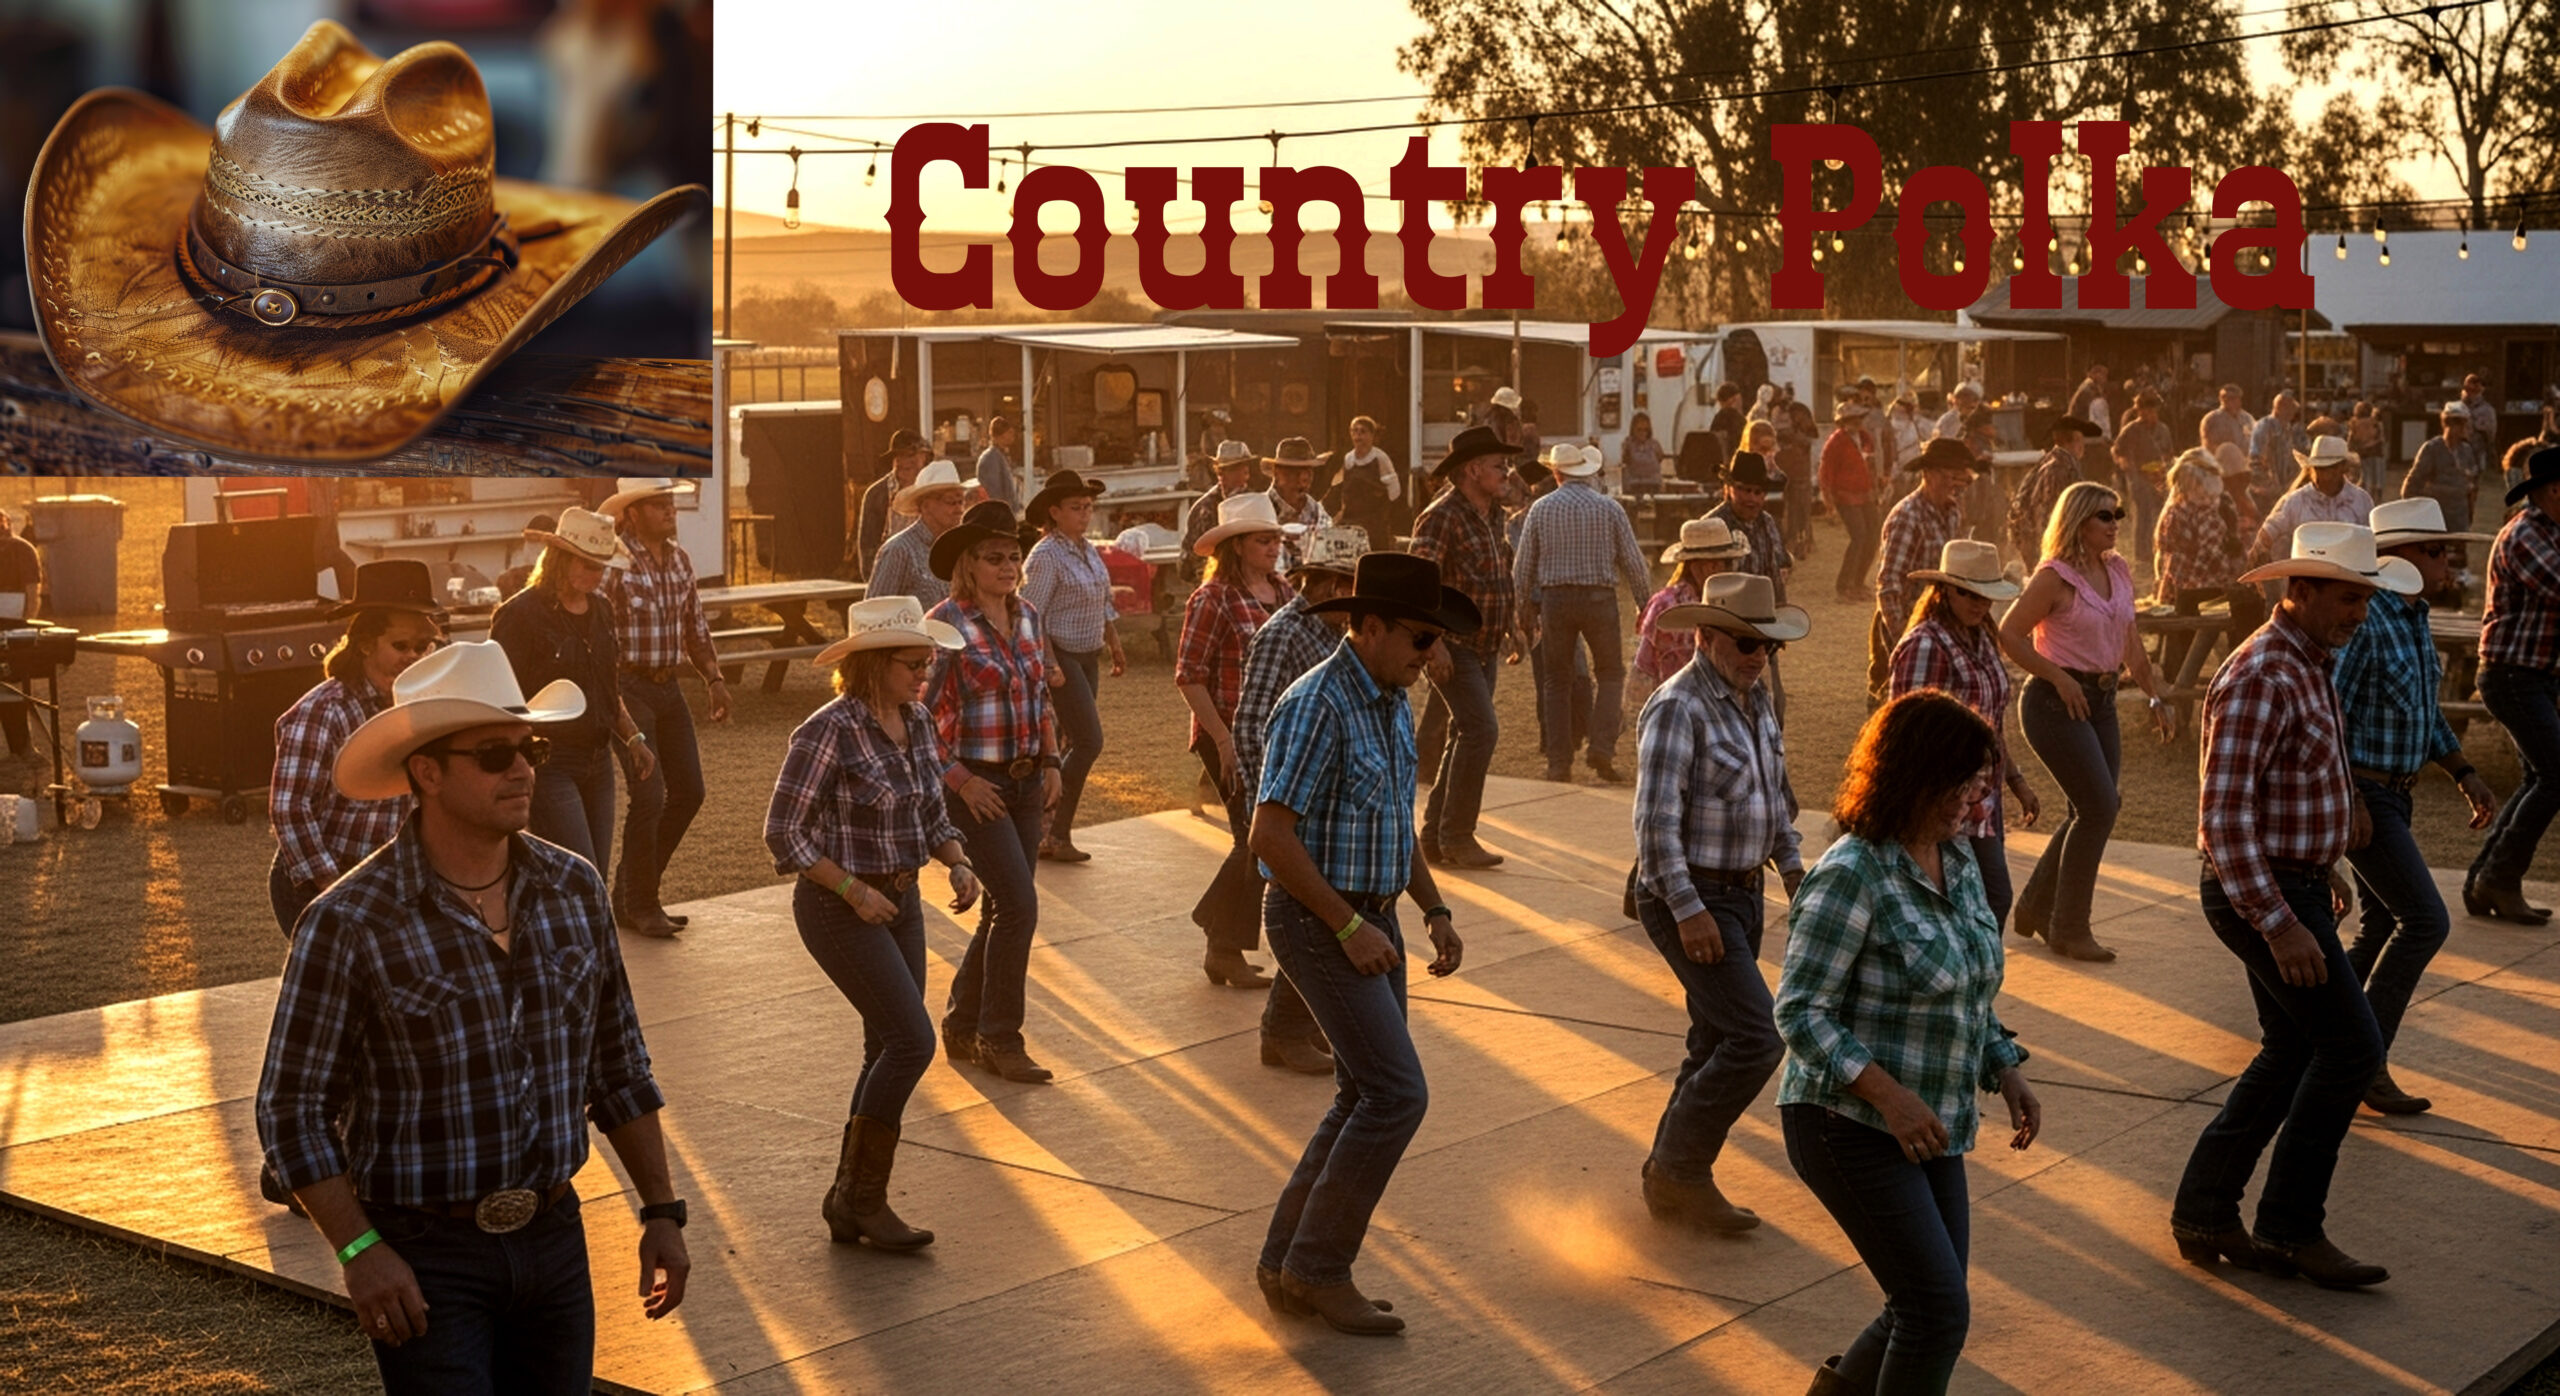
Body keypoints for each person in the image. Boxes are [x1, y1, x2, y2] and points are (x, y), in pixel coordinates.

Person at [256, 640, 689, 1392]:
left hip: (555, 1238)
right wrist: (360, 1251)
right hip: (426, 1254)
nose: (523, 769)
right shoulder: (349, 923)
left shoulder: (573, 890)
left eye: (532, 747)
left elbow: (618, 1067)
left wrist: (663, 1211)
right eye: (495, 754)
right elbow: (290, 1112)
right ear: (426, 771)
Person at [1775, 691, 2041, 1396]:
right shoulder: (1850, 874)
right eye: (1958, 785)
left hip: (1932, 1125)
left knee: (1923, 1303)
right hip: (1847, 1123)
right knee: (1936, 1310)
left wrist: (2004, 1067)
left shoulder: (1955, 863)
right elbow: (1801, 1012)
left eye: (1977, 785)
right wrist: (1889, 1097)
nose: (1970, 801)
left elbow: (1967, 989)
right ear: (1911, 776)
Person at [2171, 523, 2411, 1290]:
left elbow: (2286, 785)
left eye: (2365, 600)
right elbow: (2223, 818)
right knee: (2350, 1049)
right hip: (2263, 890)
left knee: (2296, 1051)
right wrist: (2279, 922)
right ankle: (2287, 1228)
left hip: (2290, 880)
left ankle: (2207, 1210)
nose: (2358, 615)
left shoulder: (2309, 661)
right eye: (2348, 598)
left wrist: (2326, 858)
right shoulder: (2262, 674)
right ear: (2297, 591)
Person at [1248, 551, 1471, 1337]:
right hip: (1321, 922)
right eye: (1418, 639)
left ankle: (1287, 1263)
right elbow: (1270, 836)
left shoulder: (1387, 700)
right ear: (1367, 626)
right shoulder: (1317, 705)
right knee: (1395, 1094)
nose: (1429, 655)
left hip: (1372, 919)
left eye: (1434, 641)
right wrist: (1347, 928)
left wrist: (1433, 907)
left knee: (1364, 1093)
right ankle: (1316, 1269)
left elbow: (1390, 825)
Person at [764, 597, 982, 1250]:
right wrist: (854, 891)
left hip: (902, 901)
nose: (925, 674)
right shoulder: (826, 731)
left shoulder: (915, 721)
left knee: (885, 1044)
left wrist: (957, 859)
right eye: (915, 663)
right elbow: (784, 834)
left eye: (929, 662)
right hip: (840, 909)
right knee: (912, 1042)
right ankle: (860, 1199)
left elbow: (927, 811)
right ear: (871, 664)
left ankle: (853, 1202)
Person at [1631, 572, 1810, 1235]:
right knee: (1756, 1037)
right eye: (1742, 642)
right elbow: (1654, 827)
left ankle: (1674, 1177)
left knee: (1714, 1038)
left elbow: (1775, 802)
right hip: (1693, 892)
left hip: (1741, 892)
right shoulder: (1678, 706)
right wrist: (1688, 910)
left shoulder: (1756, 700)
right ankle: (1677, 1170)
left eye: (1766, 645)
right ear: (1704, 637)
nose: (1756, 654)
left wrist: (1794, 873)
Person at [2332, 499, 2502, 1114]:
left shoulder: (2413, 614)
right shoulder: (2369, 618)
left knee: (2382, 922)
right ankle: (2361, 1062)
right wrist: (2349, 796)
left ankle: (2326, 1036)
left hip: (2393, 796)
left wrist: (2465, 772)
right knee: (2425, 921)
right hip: (2369, 793)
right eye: (2433, 550)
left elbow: (2424, 715)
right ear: (2395, 556)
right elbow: (2330, 713)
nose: (2445, 558)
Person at [1996, 482, 2175, 962]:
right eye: (2104, 515)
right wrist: (2058, 677)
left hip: (2102, 701)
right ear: (2078, 521)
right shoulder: (2053, 578)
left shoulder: (2117, 570)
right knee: (2098, 807)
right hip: (2055, 703)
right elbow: (2009, 634)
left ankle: (2036, 904)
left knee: (2094, 806)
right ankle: (2069, 928)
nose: (2115, 522)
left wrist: (2156, 697)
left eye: (2117, 513)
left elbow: (2130, 640)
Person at [926, 502, 1065, 1084]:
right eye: (993, 557)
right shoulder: (944, 626)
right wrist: (960, 780)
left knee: (1007, 905)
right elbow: (919, 720)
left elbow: (1040, 698)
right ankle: (999, 1037)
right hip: (974, 784)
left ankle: (962, 1023)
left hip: (1028, 779)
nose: (1008, 565)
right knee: (1020, 907)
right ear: (968, 563)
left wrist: (1053, 759)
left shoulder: (1028, 615)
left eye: (1013, 555)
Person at [1231, 526, 1372, 1074]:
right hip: (1292, 799)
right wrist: (1263, 802)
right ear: (1327, 583)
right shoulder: (1283, 634)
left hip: (1332, 798)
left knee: (1333, 907)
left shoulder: (1340, 632)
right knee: (1312, 914)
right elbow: (1250, 723)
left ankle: (1299, 1024)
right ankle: (1283, 1027)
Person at [269, 560, 447, 936]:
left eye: (423, 645)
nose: (414, 656)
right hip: (318, 880)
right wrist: (334, 886)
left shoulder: (422, 703)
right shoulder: (323, 710)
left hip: (387, 879)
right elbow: (290, 807)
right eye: (401, 645)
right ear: (366, 642)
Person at [491, 508, 657, 888]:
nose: (596, 575)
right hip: (550, 759)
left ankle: (584, 944)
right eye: (586, 564)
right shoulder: (519, 614)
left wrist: (632, 738)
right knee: (577, 873)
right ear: (560, 558)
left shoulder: (601, 609)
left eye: (601, 566)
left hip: (597, 757)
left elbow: (607, 687)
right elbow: (501, 694)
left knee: (591, 868)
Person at [598, 480, 731, 939]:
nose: (669, 510)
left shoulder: (679, 559)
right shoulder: (613, 562)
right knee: (650, 795)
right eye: (658, 504)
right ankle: (641, 901)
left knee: (690, 791)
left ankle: (631, 893)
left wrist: (713, 678)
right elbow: (598, 630)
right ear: (632, 513)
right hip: (627, 686)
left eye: (670, 503)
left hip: (667, 686)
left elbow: (695, 624)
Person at [1180, 492, 1302, 987]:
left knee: (1261, 837)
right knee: (1252, 838)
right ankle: (1222, 945)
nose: (1274, 547)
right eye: (1263, 539)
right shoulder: (1211, 599)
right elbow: (1190, 675)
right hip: (1227, 730)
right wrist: (1224, 741)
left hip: (1275, 732)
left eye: (1276, 538)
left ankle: (1219, 937)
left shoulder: (1286, 591)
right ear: (1236, 546)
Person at [1891, 541, 2042, 931]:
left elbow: (1993, 723)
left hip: (1982, 800)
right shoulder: (1926, 644)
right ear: (1944, 591)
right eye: (1968, 593)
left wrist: (2015, 779)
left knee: (1990, 897)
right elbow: (1904, 732)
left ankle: (1969, 984)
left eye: (1986, 595)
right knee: (1963, 902)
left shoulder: (1983, 639)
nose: (1979, 604)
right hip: (1940, 799)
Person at [1409, 425, 1527, 869]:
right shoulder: (1442, 516)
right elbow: (1419, 585)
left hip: (1483, 643)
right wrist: (1431, 642)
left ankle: (1436, 837)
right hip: (1453, 643)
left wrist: (1512, 623)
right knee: (1481, 731)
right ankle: (1457, 836)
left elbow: (1498, 572)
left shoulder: (1493, 514)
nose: (1507, 472)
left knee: (1465, 733)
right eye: (1499, 466)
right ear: (1473, 470)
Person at [1513, 440, 1653, 783]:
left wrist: (1523, 611)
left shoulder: (1541, 509)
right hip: (1599, 597)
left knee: (1555, 681)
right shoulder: (1609, 508)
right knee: (1609, 674)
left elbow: (1522, 568)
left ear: (1556, 473)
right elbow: (1634, 563)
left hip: (1555, 599)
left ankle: (1559, 761)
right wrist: (1643, 604)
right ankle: (1601, 747)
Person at [2468, 444, 2560, 923]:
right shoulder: (2526, 535)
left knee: (2539, 777)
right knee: (2555, 776)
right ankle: (2497, 879)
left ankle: (2485, 881)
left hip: (2529, 674)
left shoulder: (2548, 532)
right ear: (2554, 491)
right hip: (2512, 673)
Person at [1021, 469, 1120, 863]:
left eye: (1088, 507)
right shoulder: (1045, 555)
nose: (1085, 514)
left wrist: (1114, 642)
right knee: (1088, 741)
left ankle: (1048, 830)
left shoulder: (1088, 548)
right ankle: (1051, 829)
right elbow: (1032, 613)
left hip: (1086, 652)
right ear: (1055, 512)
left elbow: (1103, 598)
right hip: (1060, 653)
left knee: (1070, 741)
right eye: (1076, 508)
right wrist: (1048, 662)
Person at [1868, 438, 1974, 706]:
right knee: (1897, 712)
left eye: (1959, 476)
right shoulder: (1908, 516)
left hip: (1940, 626)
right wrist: (1904, 638)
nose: (1957, 483)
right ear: (1929, 474)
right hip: (1907, 627)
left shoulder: (1952, 513)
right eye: (1951, 475)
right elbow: (1889, 585)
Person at [1631, 516, 1750, 707]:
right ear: (1706, 567)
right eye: (1726, 563)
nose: (1729, 569)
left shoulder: (1661, 604)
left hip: (1671, 703)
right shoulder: (1733, 604)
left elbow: (1642, 672)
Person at [2253, 434, 2376, 569]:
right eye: (2318, 468)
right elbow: (2270, 529)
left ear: (2342, 468)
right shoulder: (2296, 501)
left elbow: (2373, 540)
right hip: (2307, 577)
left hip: (2351, 575)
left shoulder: (2361, 501)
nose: (2322, 474)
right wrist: (2261, 551)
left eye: (2328, 468)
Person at [869, 460, 977, 609]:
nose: (959, 509)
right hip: (911, 632)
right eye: (951, 502)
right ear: (926, 506)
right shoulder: (899, 550)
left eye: (961, 502)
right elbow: (875, 611)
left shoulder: (962, 550)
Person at [2006, 415, 2100, 567]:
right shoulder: (2059, 469)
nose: (2083, 446)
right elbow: (2050, 512)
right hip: (2049, 545)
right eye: (2081, 440)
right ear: (2074, 440)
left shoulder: (2051, 462)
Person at [0, 505, 46, 794]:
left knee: (12, 689)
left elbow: (32, 593)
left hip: (14, 627)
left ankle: (23, 748)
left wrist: (23, 629)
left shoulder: (22, 550)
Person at [1822, 400, 1882, 604]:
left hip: (1865, 494)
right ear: (1843, 421)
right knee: (1859, 537)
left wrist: (1876, 488)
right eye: (1851, 419)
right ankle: (1844, 586)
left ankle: (1858, 582)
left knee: (1873, 536)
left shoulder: (1865, 438)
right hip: (1845, 495)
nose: (1856, 422)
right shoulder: (1836, 441)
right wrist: (1828, 501)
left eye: (1858, 418)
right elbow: (1826, 472)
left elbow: (1871, 465)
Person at [853, 429, 929, 581]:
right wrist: (873, 581)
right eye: (900, 456)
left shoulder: (933, 490)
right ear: (894, 460)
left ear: (924, 457)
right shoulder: (876, 494)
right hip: (889, 573)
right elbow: (867, 545)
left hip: (926, 573)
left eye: (911, 456)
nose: (906, 462)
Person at [2401, 401, 2482, 543]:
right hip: (2435, 522)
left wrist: (2470, 513)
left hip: (2459, 521)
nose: (2460, 428)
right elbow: (2411, 487)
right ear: (2445, 423)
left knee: (2458, 562)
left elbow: (2472, 486)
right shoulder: (2432, 449)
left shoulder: (2467, 451)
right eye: (2455, 422)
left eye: (2462, 423)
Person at [2111, 390, 2175, 569]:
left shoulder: (2163, 429)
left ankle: (2159, 548)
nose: (2147, 415)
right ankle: (2141, 553)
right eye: (2142, 411)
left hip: (2159, 474)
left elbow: (2169, 452)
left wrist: (2166, 466)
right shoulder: (2132, 429)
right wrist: (2126, 466)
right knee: (2143, 512)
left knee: (2162, 512)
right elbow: (2118, 450)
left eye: (2150, 411)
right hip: (2139, 475)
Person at [1181, 440, 1259, 582]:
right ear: (1220, 473)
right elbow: (1190, 561)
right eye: (1236, 467)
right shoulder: (1204, 509)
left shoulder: (1256, 502)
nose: (1245, 470)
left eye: (1245, 465)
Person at [1265, 437, 1336, 571]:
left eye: (1308, 471)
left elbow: (1329, 554)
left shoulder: (1317, 511)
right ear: (1276, 473)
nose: (1303, 478)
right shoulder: (1260, 509)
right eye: (1294, 472)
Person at [1332, 415, 1403, 546]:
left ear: (1372, 435)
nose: (1358, 435)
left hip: (1375, 523)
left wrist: (1384, 515)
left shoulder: (1380, 458)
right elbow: (1342, 490)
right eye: (1355, 431)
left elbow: (1395, 492)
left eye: (1363, 431)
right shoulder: (1348, 459)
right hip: (1352, 523)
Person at [2248, 392, 2305, 515]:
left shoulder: (2287, 427)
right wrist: (2268, 487)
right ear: (2280, 408)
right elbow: (2255, 459)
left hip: (2283, 490)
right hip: (2266, 494)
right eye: (2290, 409)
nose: (2293, 414)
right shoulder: (2264, 427)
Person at [1704, 383, 1748, 485]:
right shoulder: (1737, 418)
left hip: (1719, 467)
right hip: (1736, 467)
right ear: (1733, 399)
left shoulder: (1717, 418)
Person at [974, 416, 1020, 510]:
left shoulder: (1000, 455)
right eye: (1010, 433)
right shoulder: (991, 458)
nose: (1013, 436)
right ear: (1001, 435)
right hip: (996, 513)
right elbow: (994, 492)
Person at [2200, 383, 2254, 457]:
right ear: (2221, 399)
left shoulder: (2247, 418)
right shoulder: (2212, 419)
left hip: (2244, 463)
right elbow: (2208, 444)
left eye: (2235, 398)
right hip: (2221, 462)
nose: (2232, 401)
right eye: (2228, 398)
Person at [1621, 411, 1667, 495]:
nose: (1642, 433)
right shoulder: (1628, 444)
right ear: (1633, 429)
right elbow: (1625, 461)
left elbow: (1660, 458)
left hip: (1653, 484)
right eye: (1639, 430)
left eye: (1645, 430)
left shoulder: (1655, 444)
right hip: (1634, 485)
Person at [2347, 401, 2386, 496]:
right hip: (2376, 450)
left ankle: (2368, 494)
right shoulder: (2375, 422)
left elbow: (2351, 440)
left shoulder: (2354, 423)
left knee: (2366, 475)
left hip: (2363, 451)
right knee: (2378, 474)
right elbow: (2381, 437)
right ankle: (2378, 491)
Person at [2068, 362, 2113, 440]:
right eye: (2104, 375)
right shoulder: (2089, 386)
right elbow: (2097, 402)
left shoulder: (2090, 385)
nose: (2105, 379)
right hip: (2079, 424)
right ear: (2096, 374)